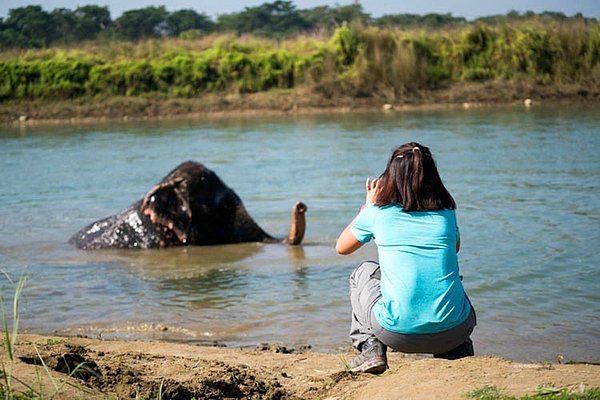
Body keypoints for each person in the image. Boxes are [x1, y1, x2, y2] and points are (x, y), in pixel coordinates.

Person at [335, 142, 476, 374]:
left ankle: (370, 349)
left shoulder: (378, 213)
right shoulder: (446, 214)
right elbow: (455, 248)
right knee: (449, 278)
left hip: (396, 333)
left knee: (363, 272)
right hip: (453, 331)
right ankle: (456, 349)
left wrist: (368, 207)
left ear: (391, 176)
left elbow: (342, 247)